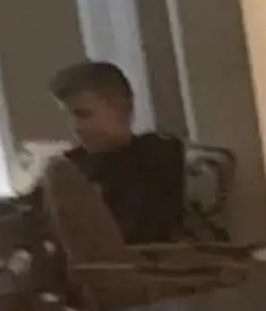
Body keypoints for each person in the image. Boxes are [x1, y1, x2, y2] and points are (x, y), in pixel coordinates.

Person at [49, 59, 187, 245]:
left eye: (84, 114)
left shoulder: (155, 157)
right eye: (69, 116)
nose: (76, 127)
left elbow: (139, 232)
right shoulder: (74, 163)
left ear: (123, 108)